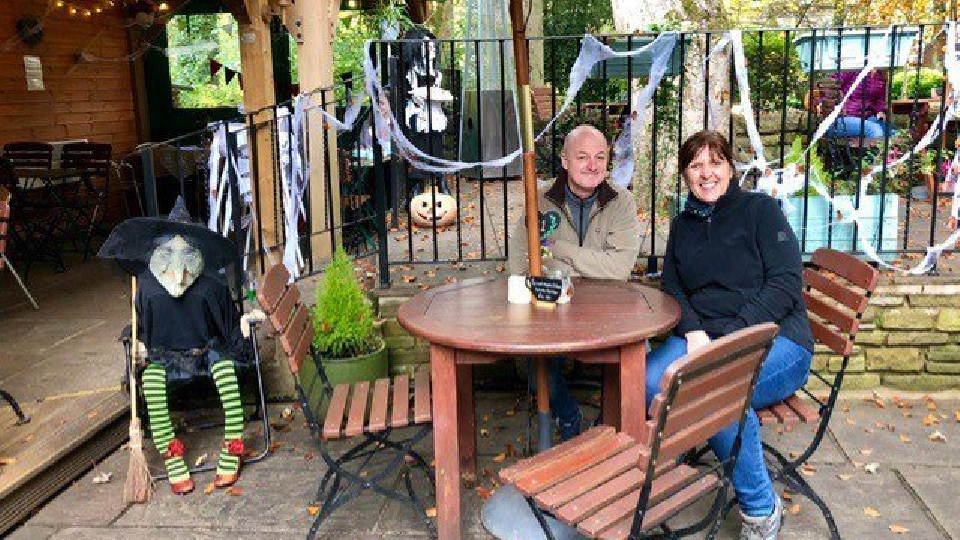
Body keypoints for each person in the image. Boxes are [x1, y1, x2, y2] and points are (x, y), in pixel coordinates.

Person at [648, 130, 813, 539]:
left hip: (776, 340)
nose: (706, 173)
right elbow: (672, 286)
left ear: (731, 167)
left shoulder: (761, 211)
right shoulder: (683, 224)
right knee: (642, 380)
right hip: (701, 338)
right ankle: (645, 488)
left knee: (713, 393)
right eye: (696, 165)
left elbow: (786, 283)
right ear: (686, 175)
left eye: (715, 162)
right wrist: (693, 330)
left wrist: (733, 337)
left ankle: (761, 509)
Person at [99, 197, 264, 495]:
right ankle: (172, 456)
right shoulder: (147, 286)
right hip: (165, 356)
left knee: (226, 371)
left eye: (185, 251)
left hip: (207, 351)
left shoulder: (211, 286)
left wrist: (241, 328)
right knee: (150, 382)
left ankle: (233, 445)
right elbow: (143, 328)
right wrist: (139, 345)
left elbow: (226, 325)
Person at [507, 124, 642, 441]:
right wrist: (588, 264)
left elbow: (619, 268)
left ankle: (614, 429)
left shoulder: (622, 202)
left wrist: (558, 251)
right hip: (551, 307)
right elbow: (520, 260)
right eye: (582, 157)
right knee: (532, 363)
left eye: (600, 157)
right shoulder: (537, 200)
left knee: (639, 357)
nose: (593, 166)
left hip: (609, 307)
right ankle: (568, 415)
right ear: (565, 161)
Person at [825, 69, 894, 139]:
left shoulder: (880, 77)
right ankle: (872, 150)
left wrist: (880, 111)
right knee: (874, 130)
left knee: (893, 132)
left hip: (866, 117)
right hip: (842, 118)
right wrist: (838, 103)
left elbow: (879, 101)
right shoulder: (854, 67)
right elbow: (829, 87)